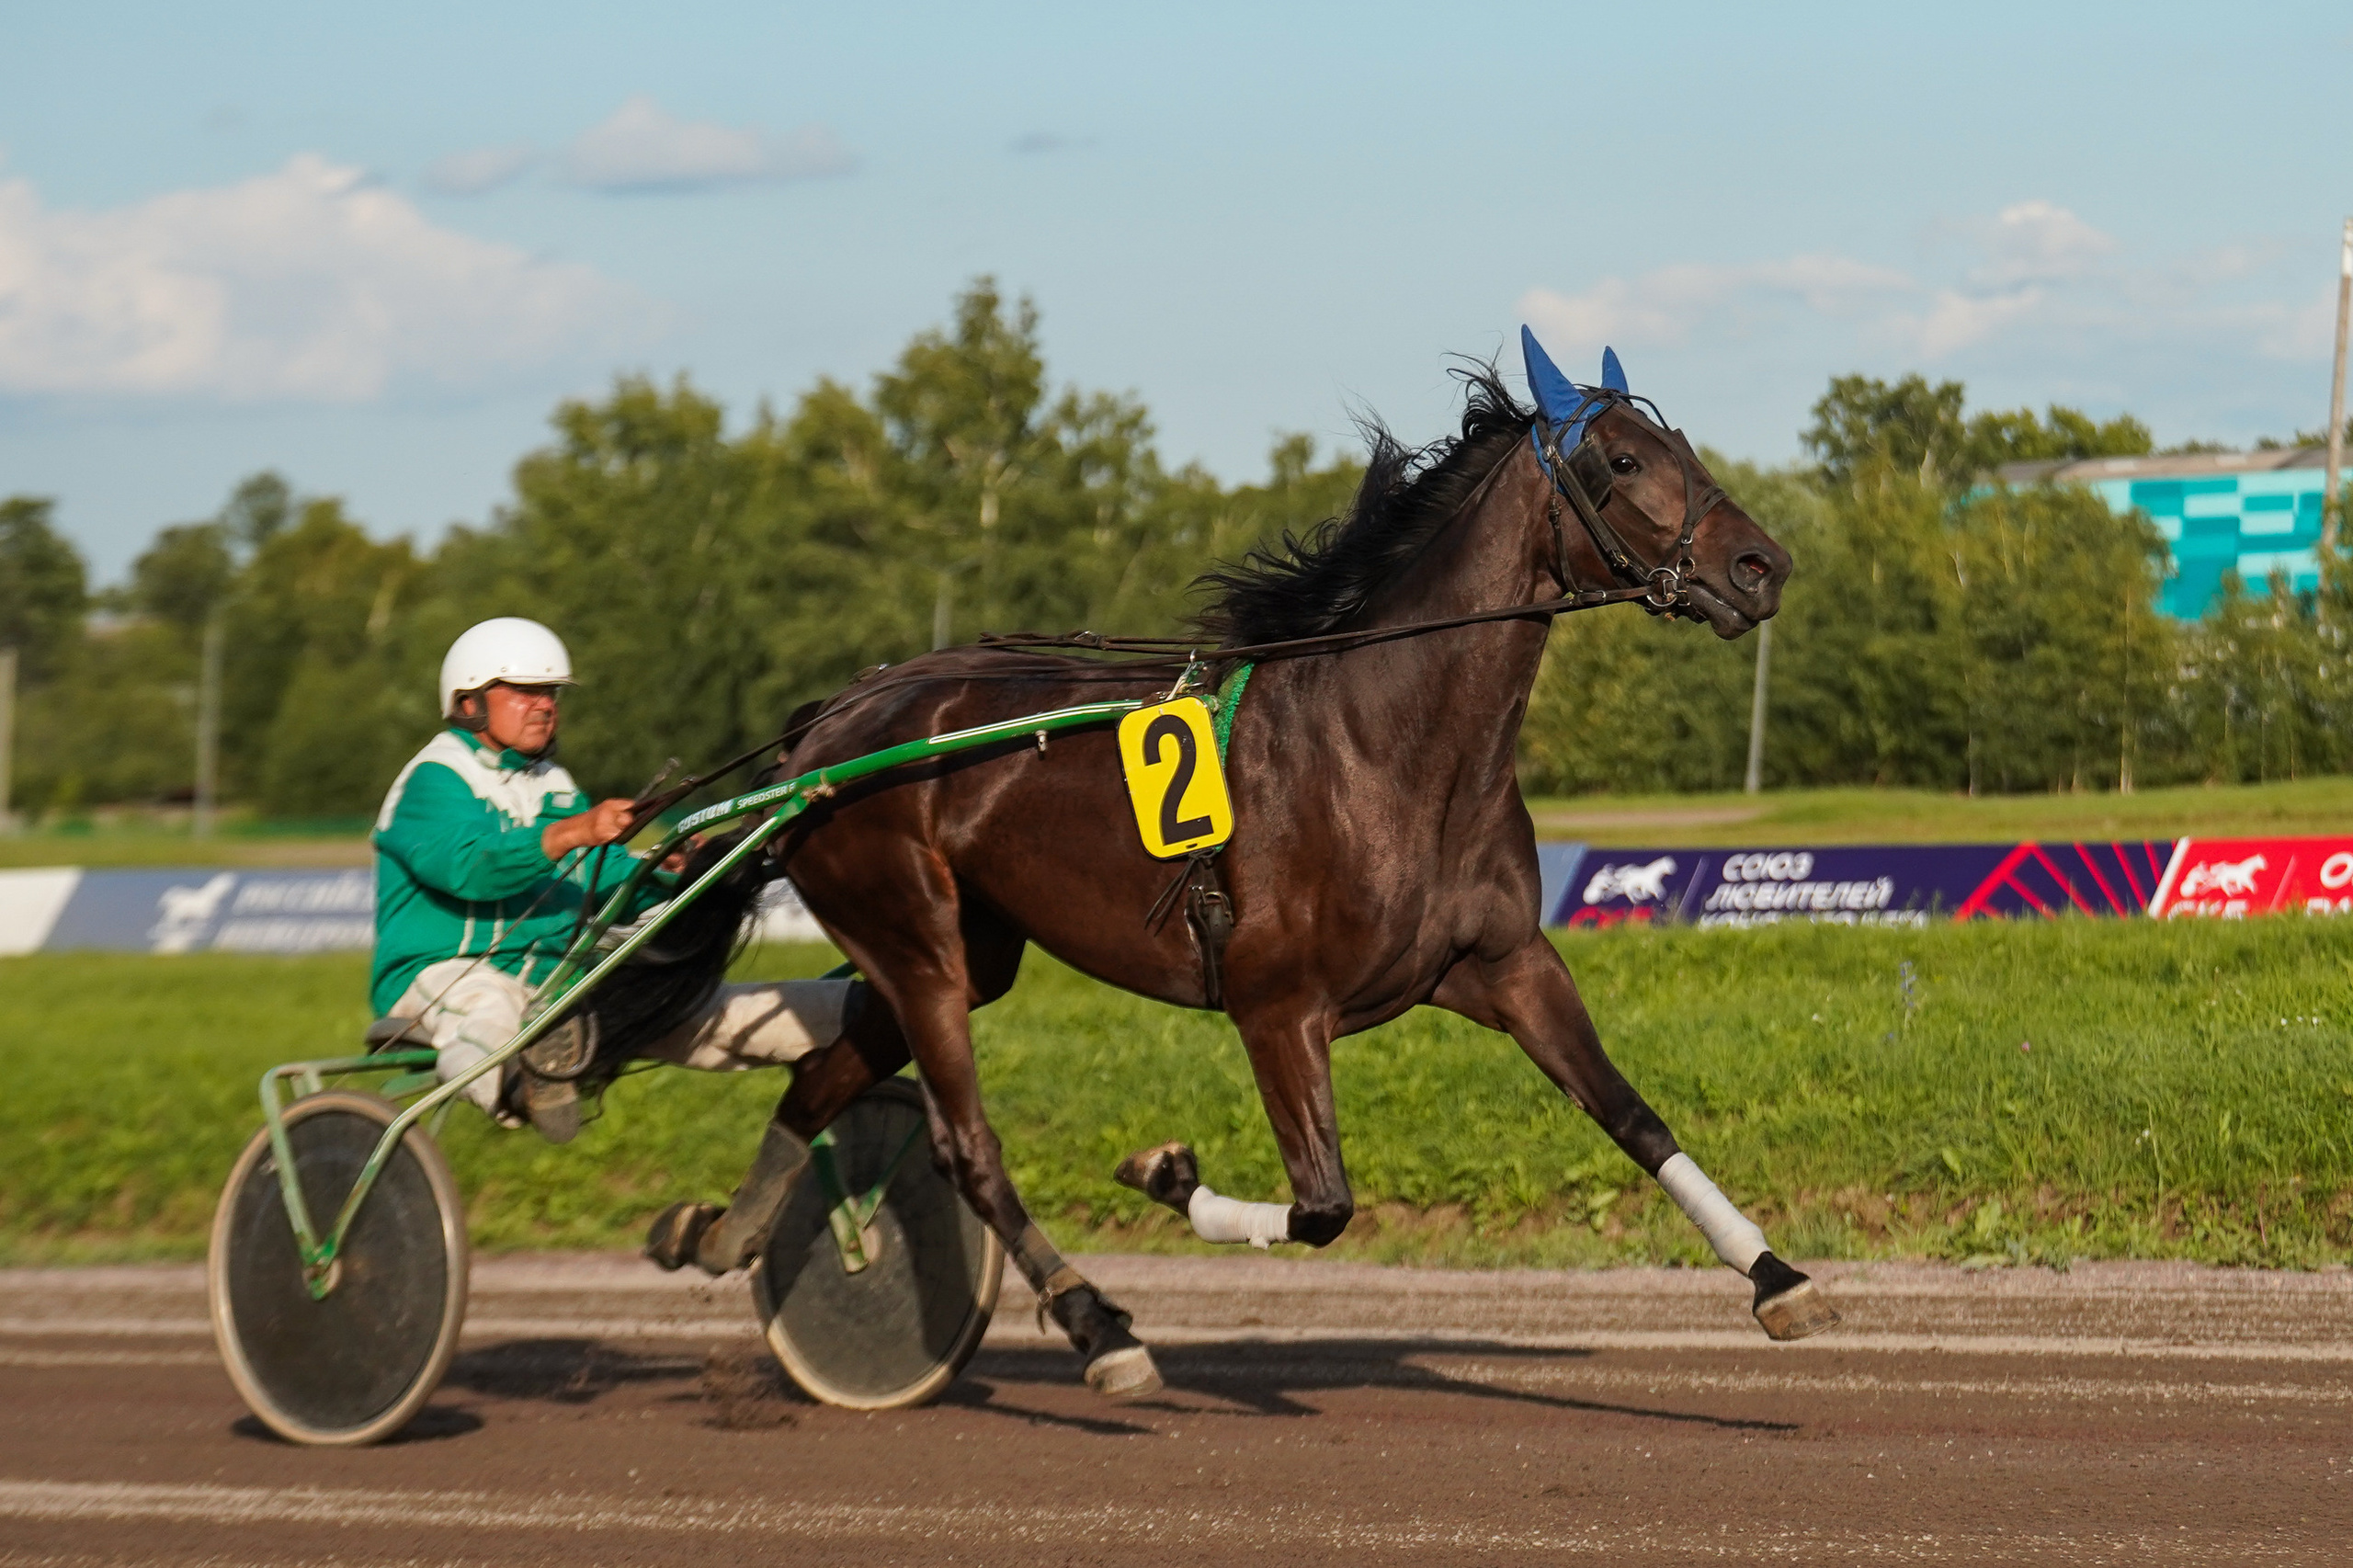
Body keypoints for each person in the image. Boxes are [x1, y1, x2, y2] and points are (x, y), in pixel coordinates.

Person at [371, 618, 862, 1236]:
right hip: (442, 979)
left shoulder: (551, 783)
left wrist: (669, 870)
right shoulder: (435, 778)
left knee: (705, 1007)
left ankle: (855, 1009)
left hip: (555, 989)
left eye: (551, 693)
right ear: (469, 702)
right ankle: (522, 1081)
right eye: (523, 691)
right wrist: (578, 831)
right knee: (485, 1005)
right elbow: (469, 867)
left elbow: (599, 880)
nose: (544, 706)